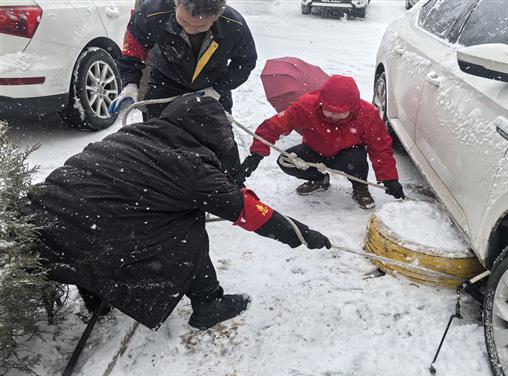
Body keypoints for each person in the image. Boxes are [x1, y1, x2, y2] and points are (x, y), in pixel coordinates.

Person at [24, 94, 330, 331]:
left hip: (42, 227)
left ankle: (97, 298)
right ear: (214, 135)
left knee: (88, 220)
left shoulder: (131, 135)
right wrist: (302, 234)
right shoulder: (192, 168)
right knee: (185, 222)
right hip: (95, 238)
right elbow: (250, 212)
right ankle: (208, 304)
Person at [235, 75, 405, 209]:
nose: (333, 116)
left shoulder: (367, 114)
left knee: (357, 160)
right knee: (286, 160)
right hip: (314, 151)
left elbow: (380, 147)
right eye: (329, 111)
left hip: (347, 153)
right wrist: (257, 154)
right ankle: (319, 180)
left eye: (340, 113)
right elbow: (272, 126)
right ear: (321, 102)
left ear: (353, 108)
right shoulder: (306, 106)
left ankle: (360, 187)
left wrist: (389, 178)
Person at [109, 0, 257, 119]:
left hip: (212, 85)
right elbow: (133, 48)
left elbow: (246, 62)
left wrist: (217, 90)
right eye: (183, 21)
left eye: (200, 26)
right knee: (157, 136)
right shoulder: (153, 13)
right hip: (165, 83)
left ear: (216, 17)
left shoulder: (234, 25)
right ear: (176, 3)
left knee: (215, 139)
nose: (189, 29)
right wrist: (130, 84)